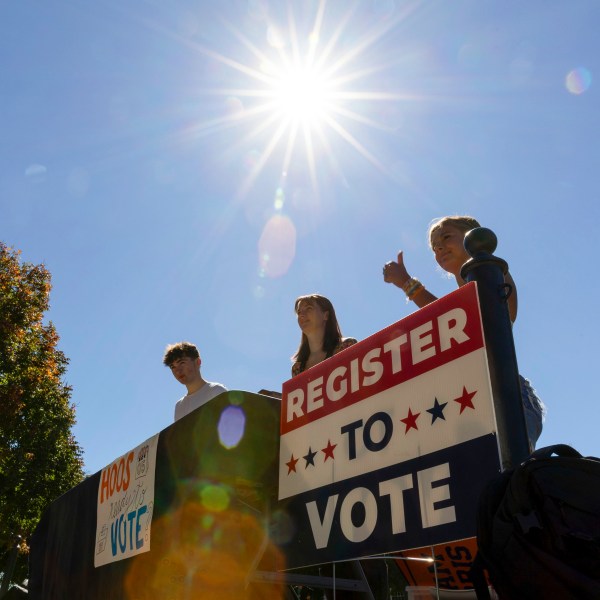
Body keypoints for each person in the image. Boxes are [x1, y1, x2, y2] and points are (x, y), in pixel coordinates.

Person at [382, 215, 545, 450]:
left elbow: (458, 319)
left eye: (446, 237)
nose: (439, 247)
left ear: (473, 236)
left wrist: (407, 283)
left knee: (510, 474)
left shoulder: (494, 271)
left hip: (507, 395)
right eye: (434, 247)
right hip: (469, 398)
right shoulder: (461, 297)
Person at [291, 294, 358, 376]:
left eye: (309, 308)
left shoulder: (346, 346)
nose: (301, 315)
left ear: (326, 315)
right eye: (299, 312)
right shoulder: (297, 368)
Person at [163, 341, 227, 422]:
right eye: (173, 367)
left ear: (198, 362)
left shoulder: (216, 391)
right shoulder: (179, 406)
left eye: (182, 363)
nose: (178, 371)